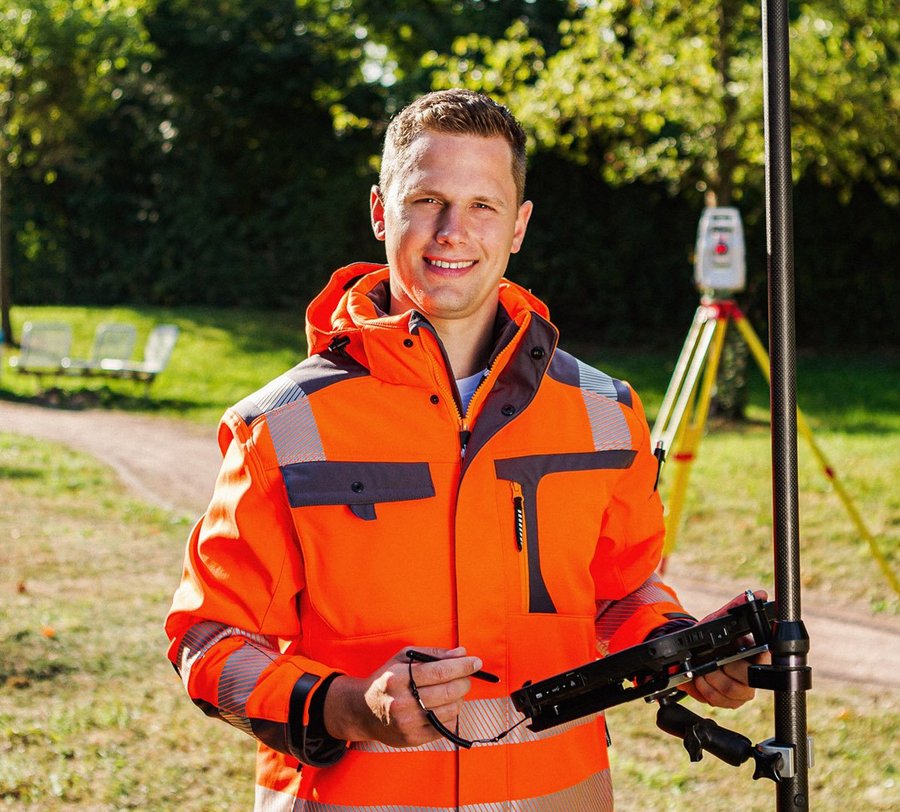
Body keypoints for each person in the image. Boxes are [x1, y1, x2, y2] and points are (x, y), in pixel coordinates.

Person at [165, 89, 765, 811]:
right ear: (381, 211)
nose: (453, 230)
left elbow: (622, 591)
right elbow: (209, 642)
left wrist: (685, 650)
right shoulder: (281, 427)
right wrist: (346, 706)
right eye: (426, 200)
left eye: (483, 205)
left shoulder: (607, 413)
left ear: (519, 225)